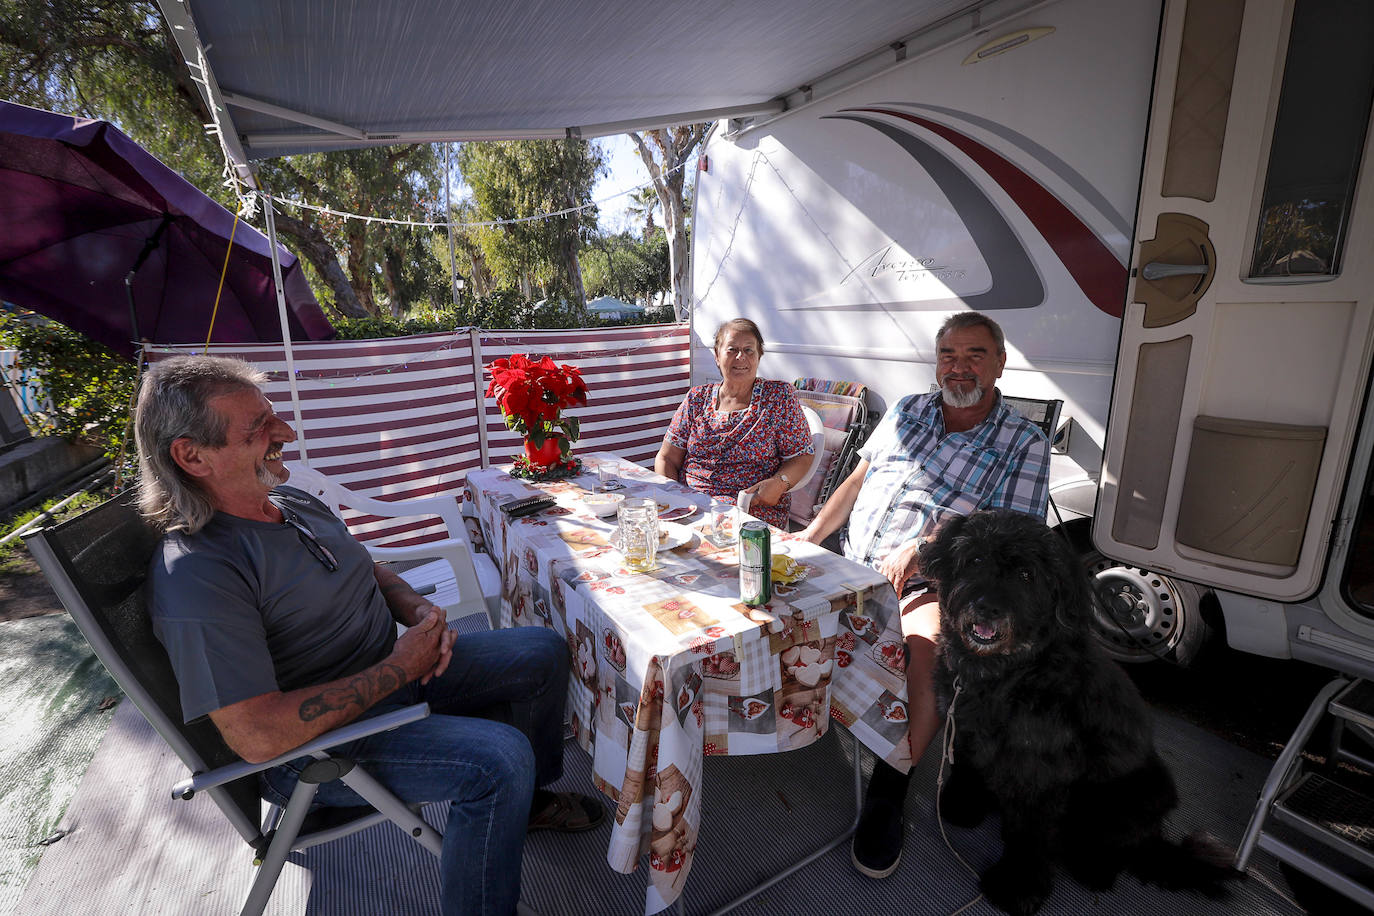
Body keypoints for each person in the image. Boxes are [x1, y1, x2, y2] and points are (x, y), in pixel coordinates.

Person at [136, 355, 602, 916]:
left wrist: (415, 608)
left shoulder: (286, 502)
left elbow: (365, 566)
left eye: (273, 416)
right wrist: (401, 667)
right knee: (498, 758)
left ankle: (524, 805)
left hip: (394, 671)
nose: (284, 432)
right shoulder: (199, 570)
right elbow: (258, 737)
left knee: (542, 650)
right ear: (191, 456)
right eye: (258, 428)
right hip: (324, 744)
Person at [799, 311, 1051, 879]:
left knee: (928, 650)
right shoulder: (909, 410)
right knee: (760, 600)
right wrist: (810, 537)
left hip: (937, 580)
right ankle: (788, 716)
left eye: (975, 355)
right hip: (851, 564)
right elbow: (859, 480)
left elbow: (1013, 536)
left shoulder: (1023, 442)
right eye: (948, 355)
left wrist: (928, 549)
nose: (959, 367)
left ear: (1001, 362)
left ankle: (890, 785)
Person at [655, 318, 815, 528]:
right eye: (732, 349)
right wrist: (674, 498)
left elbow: (802, 455)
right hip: (689, 505)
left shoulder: (778, 397)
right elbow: (666, 457)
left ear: (759, 356)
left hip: (749, 509)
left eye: (749, 350)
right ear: (717, 355)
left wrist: (780, 482)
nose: (741, 357)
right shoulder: (696, 399)